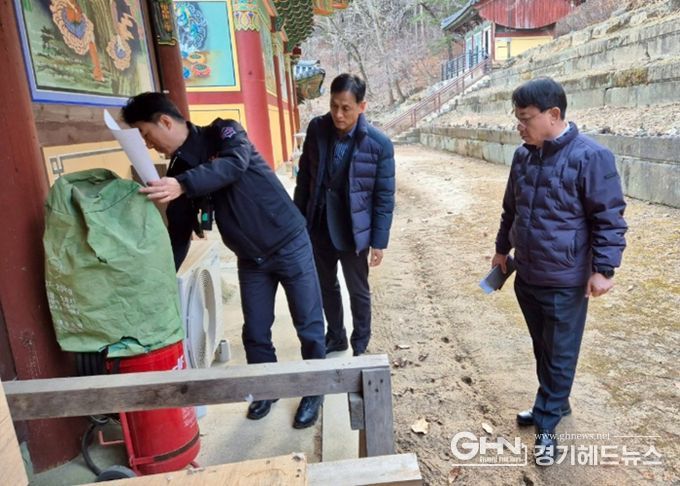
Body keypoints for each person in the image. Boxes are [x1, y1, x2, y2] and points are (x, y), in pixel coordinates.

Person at [121, 92, 325, 429]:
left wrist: (183, 185)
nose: (148, 144)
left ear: (165, 122)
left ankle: (315, 388)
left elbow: (234, 164)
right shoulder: (179, 170)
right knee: (255, 331)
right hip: (251, 258)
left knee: (309, 324)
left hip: (288, 242)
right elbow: (179, 233)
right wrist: (161, 279)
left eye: (146, 133)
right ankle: (267, 388)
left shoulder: (224, 132)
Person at [491, 77, 627, 465]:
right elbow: (511, 209)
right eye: (517, 118)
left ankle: (547, 424)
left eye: (525, 118)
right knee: (543, 348)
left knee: (559, 355)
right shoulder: (523, 156)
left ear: (553, 114)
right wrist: (501, 250)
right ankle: (556, 401)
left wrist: (604, 269)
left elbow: (609, 218)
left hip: (565, 280)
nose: (519, 126)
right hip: (527, 274)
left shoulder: (591, 157)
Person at [293, 74, 395, 357]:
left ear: (362, 106)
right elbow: (305, 179)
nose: (338, 114)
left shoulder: (379, 144)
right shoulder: (317, 128)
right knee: (326, 285)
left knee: (358, 289)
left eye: (346, 108)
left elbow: (384, 198)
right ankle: (336, 336)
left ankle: (360, 343)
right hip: (318, 224)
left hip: (353, 228)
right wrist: (299, 222)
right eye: (334, 106)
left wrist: (379, 242)